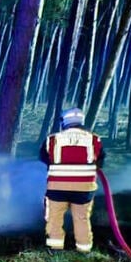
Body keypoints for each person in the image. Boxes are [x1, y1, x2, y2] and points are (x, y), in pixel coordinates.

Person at [39, 107, 105, 253]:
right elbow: (100, 161)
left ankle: (55, 249)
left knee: (54, 217)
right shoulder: (94, 139)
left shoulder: (52, 139)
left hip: (57, 188)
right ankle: (84, 249)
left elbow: (44, 158)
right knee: (82, 218)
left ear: (64, 122)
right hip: (84, 189)